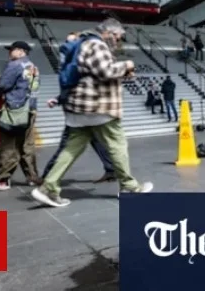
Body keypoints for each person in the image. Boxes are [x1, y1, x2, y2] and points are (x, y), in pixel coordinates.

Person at [32, 18, 153, 208]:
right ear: (110, 33)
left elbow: (92, 72)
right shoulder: (96, 44)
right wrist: (127, 65)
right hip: (98, 107)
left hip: (79, 108)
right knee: (117, 144)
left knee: (71, 149)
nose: (118, 41)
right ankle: (129, 187)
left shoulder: (83, 44)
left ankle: (47, 188)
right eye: (119, 37)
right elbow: (105, 72)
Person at [41, 33, 115, 183]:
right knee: (97, 140)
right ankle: (112, 169)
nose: (67, 46)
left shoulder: (78, 63)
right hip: (87, 110)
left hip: (79, 112)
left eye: (72, 42)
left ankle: (48, 177)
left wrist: (59, 99)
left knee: (67, 145)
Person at [0, 41, 42, 191]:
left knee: (7, 145)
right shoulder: (33, 67)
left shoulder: (15, 65)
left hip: (14, 111)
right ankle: (32, 178)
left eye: (12, 50)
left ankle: (3, 181)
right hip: (30, 109)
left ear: (21, 51)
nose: (9, 53)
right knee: (26, 145)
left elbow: (3, 85)